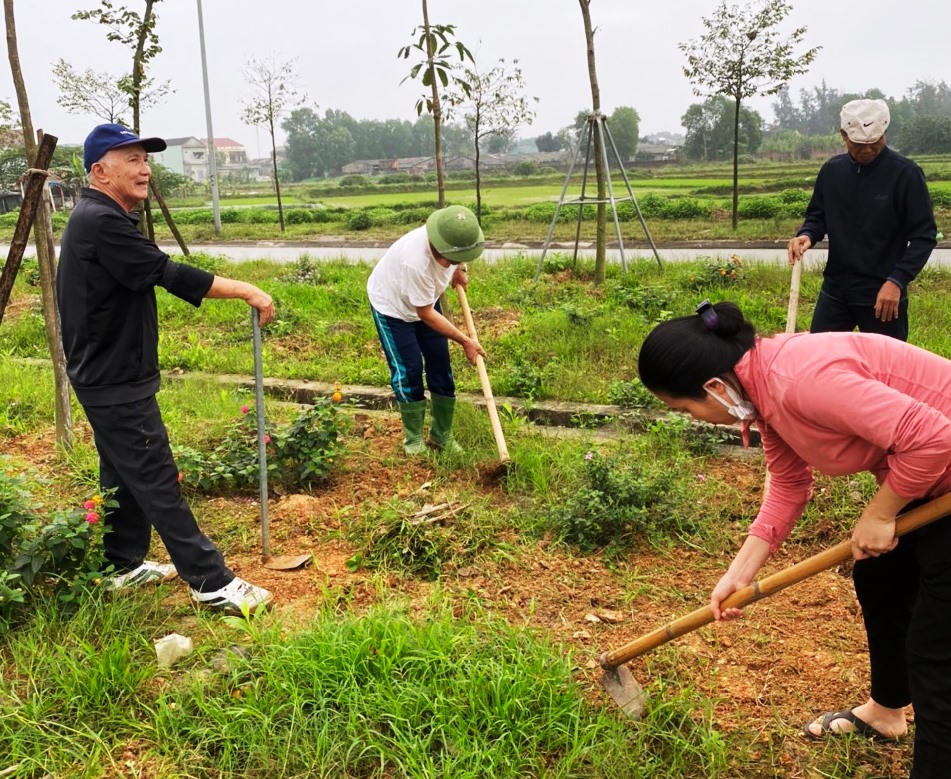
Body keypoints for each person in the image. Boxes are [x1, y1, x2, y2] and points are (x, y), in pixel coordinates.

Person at [638, 300, 951, 779]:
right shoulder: (760, 388)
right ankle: (887, 712)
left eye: (684, 408)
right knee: (881, 578)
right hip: (930, 479)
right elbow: (789, 485)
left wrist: (880, 511)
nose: (692, 417)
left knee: (937, 654)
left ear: (713, 387)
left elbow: (934, 438)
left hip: (941, 471)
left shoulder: (799, 381)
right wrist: (738, 574)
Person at [56, 123, 274, 614]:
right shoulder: (101, 220)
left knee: (121, 473)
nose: (144, 169)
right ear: (100, 171)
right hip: (113, 380)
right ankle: (211, 582)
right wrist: (245, 288)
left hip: (109, 373)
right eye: (130, 159)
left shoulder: (101, 216)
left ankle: (123, 565)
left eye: (145, 159)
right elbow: (165, 273)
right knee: (155, 475)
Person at [787, 98, 937, 342]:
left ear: (885, 134)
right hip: (836, 291)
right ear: (844, 136)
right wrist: (807, 235)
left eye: (874, 142)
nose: (867, 150)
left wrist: (897, 281)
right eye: (858, 144)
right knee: (821, 360)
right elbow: (817, 215)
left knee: (885, 368)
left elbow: (924, 236)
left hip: (883, 294)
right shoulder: (832, 171)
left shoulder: (905, 174)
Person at [367, 205, 486, 455]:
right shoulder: (416, 262)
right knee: (408, 369)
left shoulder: (449, 232)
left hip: (425, 302)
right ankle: (413, 440)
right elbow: (426, 315)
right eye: (451, 261)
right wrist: (465, 340)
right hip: (394, 308)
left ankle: (441, 436)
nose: (454, 263)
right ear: (438, 248)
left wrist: (459, 269)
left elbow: (459, 250)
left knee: (440, 364)